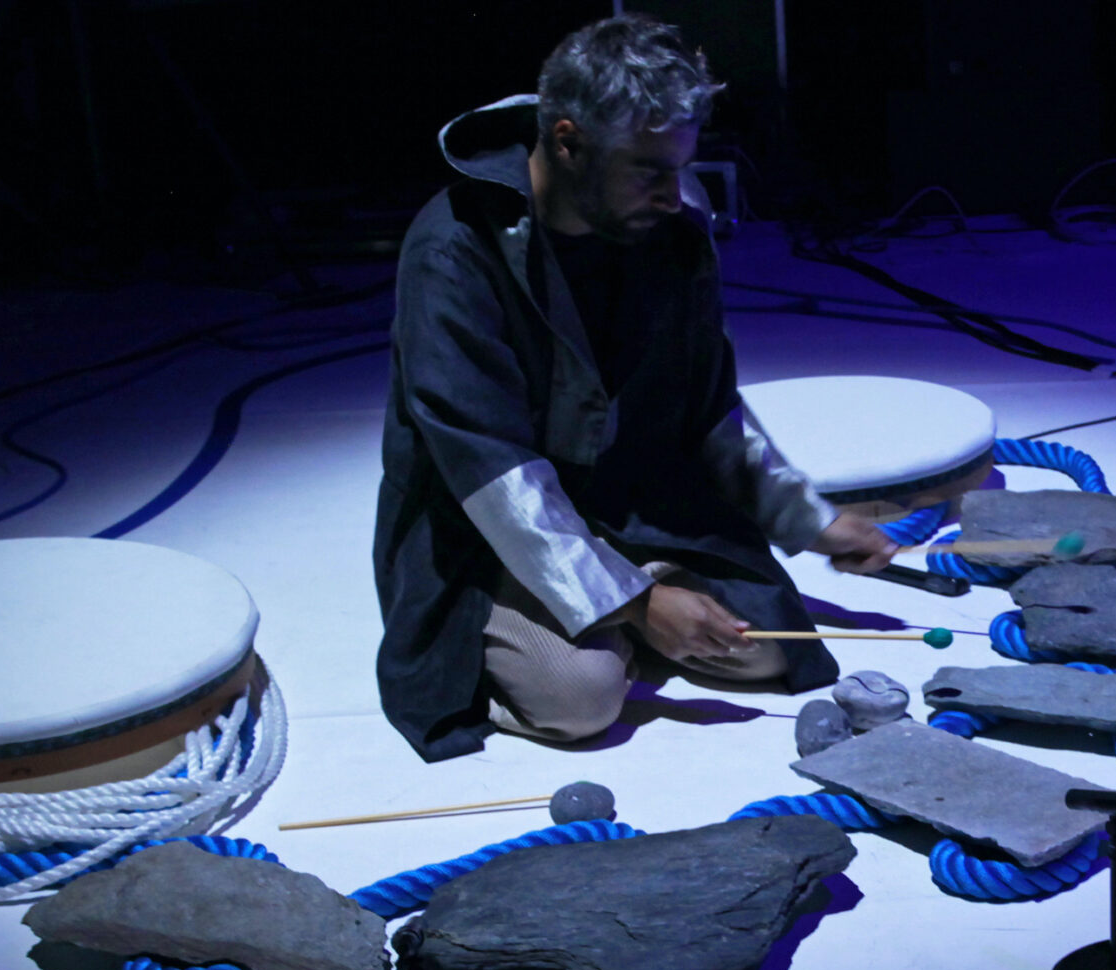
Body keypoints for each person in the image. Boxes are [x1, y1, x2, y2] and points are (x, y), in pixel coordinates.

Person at [374, 14, 896, 762]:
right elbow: (488, 464)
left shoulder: (670, 225)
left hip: (632, 500)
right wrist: (636, 601)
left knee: (768, 649)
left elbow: (709, 405)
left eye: (679, 167)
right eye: (647, 169)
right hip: (487, 526)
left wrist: (811, 520)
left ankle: (618, 612)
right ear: (567, 141)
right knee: (582, 700)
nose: (672, 193)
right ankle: (577, 626)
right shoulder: (456, 248)